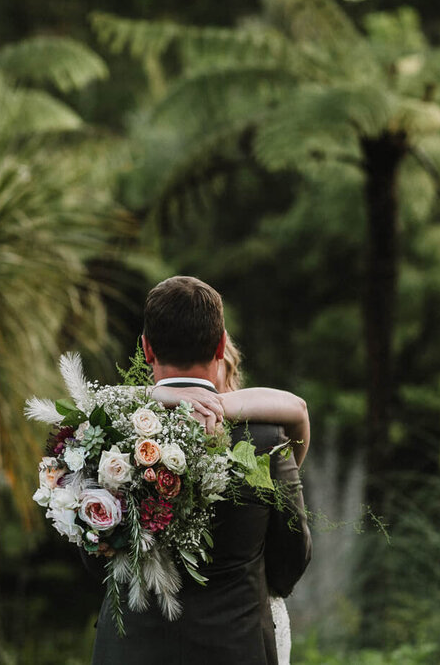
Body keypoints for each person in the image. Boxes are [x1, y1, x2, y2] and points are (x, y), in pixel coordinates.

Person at [90, 276, 312, 664]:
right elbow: (292, 557)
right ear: (221, 345)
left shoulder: (104, 435)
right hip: (235, 649)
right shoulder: (263, 439)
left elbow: (94, 555)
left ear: (146, 348)